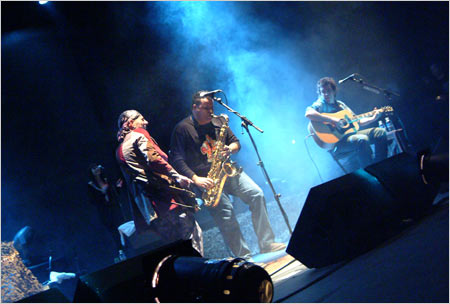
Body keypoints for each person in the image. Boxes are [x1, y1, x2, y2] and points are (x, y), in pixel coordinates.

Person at [170, 91, 286, 259]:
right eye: (206, 108)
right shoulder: (182, 129)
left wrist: (229, 149)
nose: (211, 111)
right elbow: (177, 159)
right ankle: (244, 257)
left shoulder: (218, 121)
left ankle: (267, 243)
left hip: (227, 170)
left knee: (256, 194)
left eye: (212, 107)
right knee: (226, 214)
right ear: (194, 107)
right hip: (207, 180)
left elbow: (235, 142)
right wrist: (196, 179)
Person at [116, 110, 203, 256]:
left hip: (149, 210)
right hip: (165, 201)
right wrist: (177, 176)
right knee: (192, 236)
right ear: (130, 123)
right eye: (142, 119)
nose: (146, 122)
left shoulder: (119, 150)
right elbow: (154, 159)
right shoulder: (138, 135)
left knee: (177, 247)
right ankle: (201, 272)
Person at [305, 77, 388, 171]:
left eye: (328, 91)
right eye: (323, 92)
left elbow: (358, 121)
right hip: (337, 143)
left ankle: (381, 166)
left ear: (334, 91)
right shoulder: (320, 104)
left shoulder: (341, 105)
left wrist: (373, 118)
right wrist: (334, 120)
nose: (326, 94)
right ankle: (371, 171)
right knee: (362, 139)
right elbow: (309, 113)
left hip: (351, 135)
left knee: (380, 132)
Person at [88, 163, 127, 259]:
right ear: (91, 171)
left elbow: (113, 195)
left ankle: (126, 249)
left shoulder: (106, 179)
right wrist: (102, 193)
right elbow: (93, 201)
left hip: (114, 209)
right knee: (113, 233)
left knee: (122, 229)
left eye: (97, 166)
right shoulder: (91, 185)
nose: (97, 169)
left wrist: (117, 188)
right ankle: (119, 252)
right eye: (94, 168)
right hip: (105, 213)